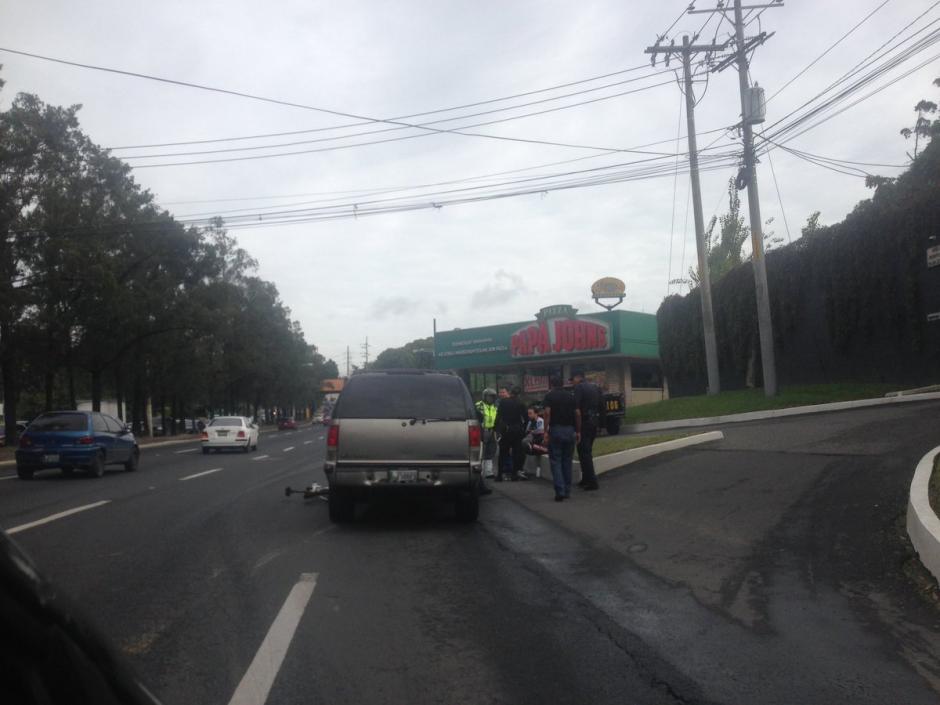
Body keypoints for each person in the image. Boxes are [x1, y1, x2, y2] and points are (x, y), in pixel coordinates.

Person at [542, 375, 579, 501]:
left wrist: (545, 430)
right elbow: (577, 413)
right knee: (567, 461)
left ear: (552, 385)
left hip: (556, 430)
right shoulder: (571, 396)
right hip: (570, 430)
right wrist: (578, 430)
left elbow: (547, 413)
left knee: (556, 461)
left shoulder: (549, 396)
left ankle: (560, 491)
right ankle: (567, 490)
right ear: (562, 384)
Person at [571, 369, 602, 491]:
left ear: (578, 378)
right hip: (594, 422)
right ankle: (585, 479)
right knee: (585, 451)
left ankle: (592, 482)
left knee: (585, 453)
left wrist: (577, 428)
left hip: (584, 423)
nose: (572, 383)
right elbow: (602, 405)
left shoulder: (579, 388)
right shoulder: (594, 387)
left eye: (572, 380)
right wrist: (601, 424)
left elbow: (577, 409)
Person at [494, 385, 527, 482]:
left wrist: (496, 429)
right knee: (516, 452)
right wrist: (523, 429)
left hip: (506, 430)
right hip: (517, 430)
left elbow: (498, 416)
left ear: (510, 392)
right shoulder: (521, 403)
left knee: (503, 452)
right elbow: (525, 418)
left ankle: (499, 475)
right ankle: (514, 475)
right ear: (519, 394)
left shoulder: (503, 402)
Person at [474, 388, 498, 495]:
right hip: (482, 430)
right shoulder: (478, 405)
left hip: (492, 430)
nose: (491, 399)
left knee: (491, 450)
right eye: (489, 396)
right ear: (484, 396)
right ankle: (482, 471)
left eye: (493, 397)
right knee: (482, 451)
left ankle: (489, 471)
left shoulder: (494, 406)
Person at [522, 405, 547, 478]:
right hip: (533, 441)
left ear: (536, 414)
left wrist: (532, 432)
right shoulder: (530, 422)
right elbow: (527, 431)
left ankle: (530, 446)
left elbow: (541, 431)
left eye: (530, 413)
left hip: (540, 443)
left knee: (526, 441)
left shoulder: (540, 421)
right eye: (528, 413)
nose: (528, 415)